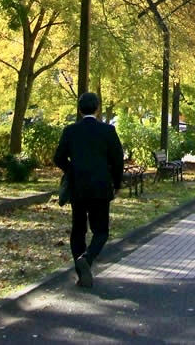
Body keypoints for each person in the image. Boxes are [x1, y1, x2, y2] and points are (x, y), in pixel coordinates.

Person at [54, 92, 124, 289]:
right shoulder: (108, 131)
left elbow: (58, 157)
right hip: (101, 187)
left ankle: (81, 271)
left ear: (79, 109)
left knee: (78, 229)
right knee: (101, 230)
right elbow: (117, 159)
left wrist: (72, 170)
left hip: (78, 187)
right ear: (97, 108)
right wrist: (117, 183)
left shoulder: (70, 131)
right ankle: (87, 258)